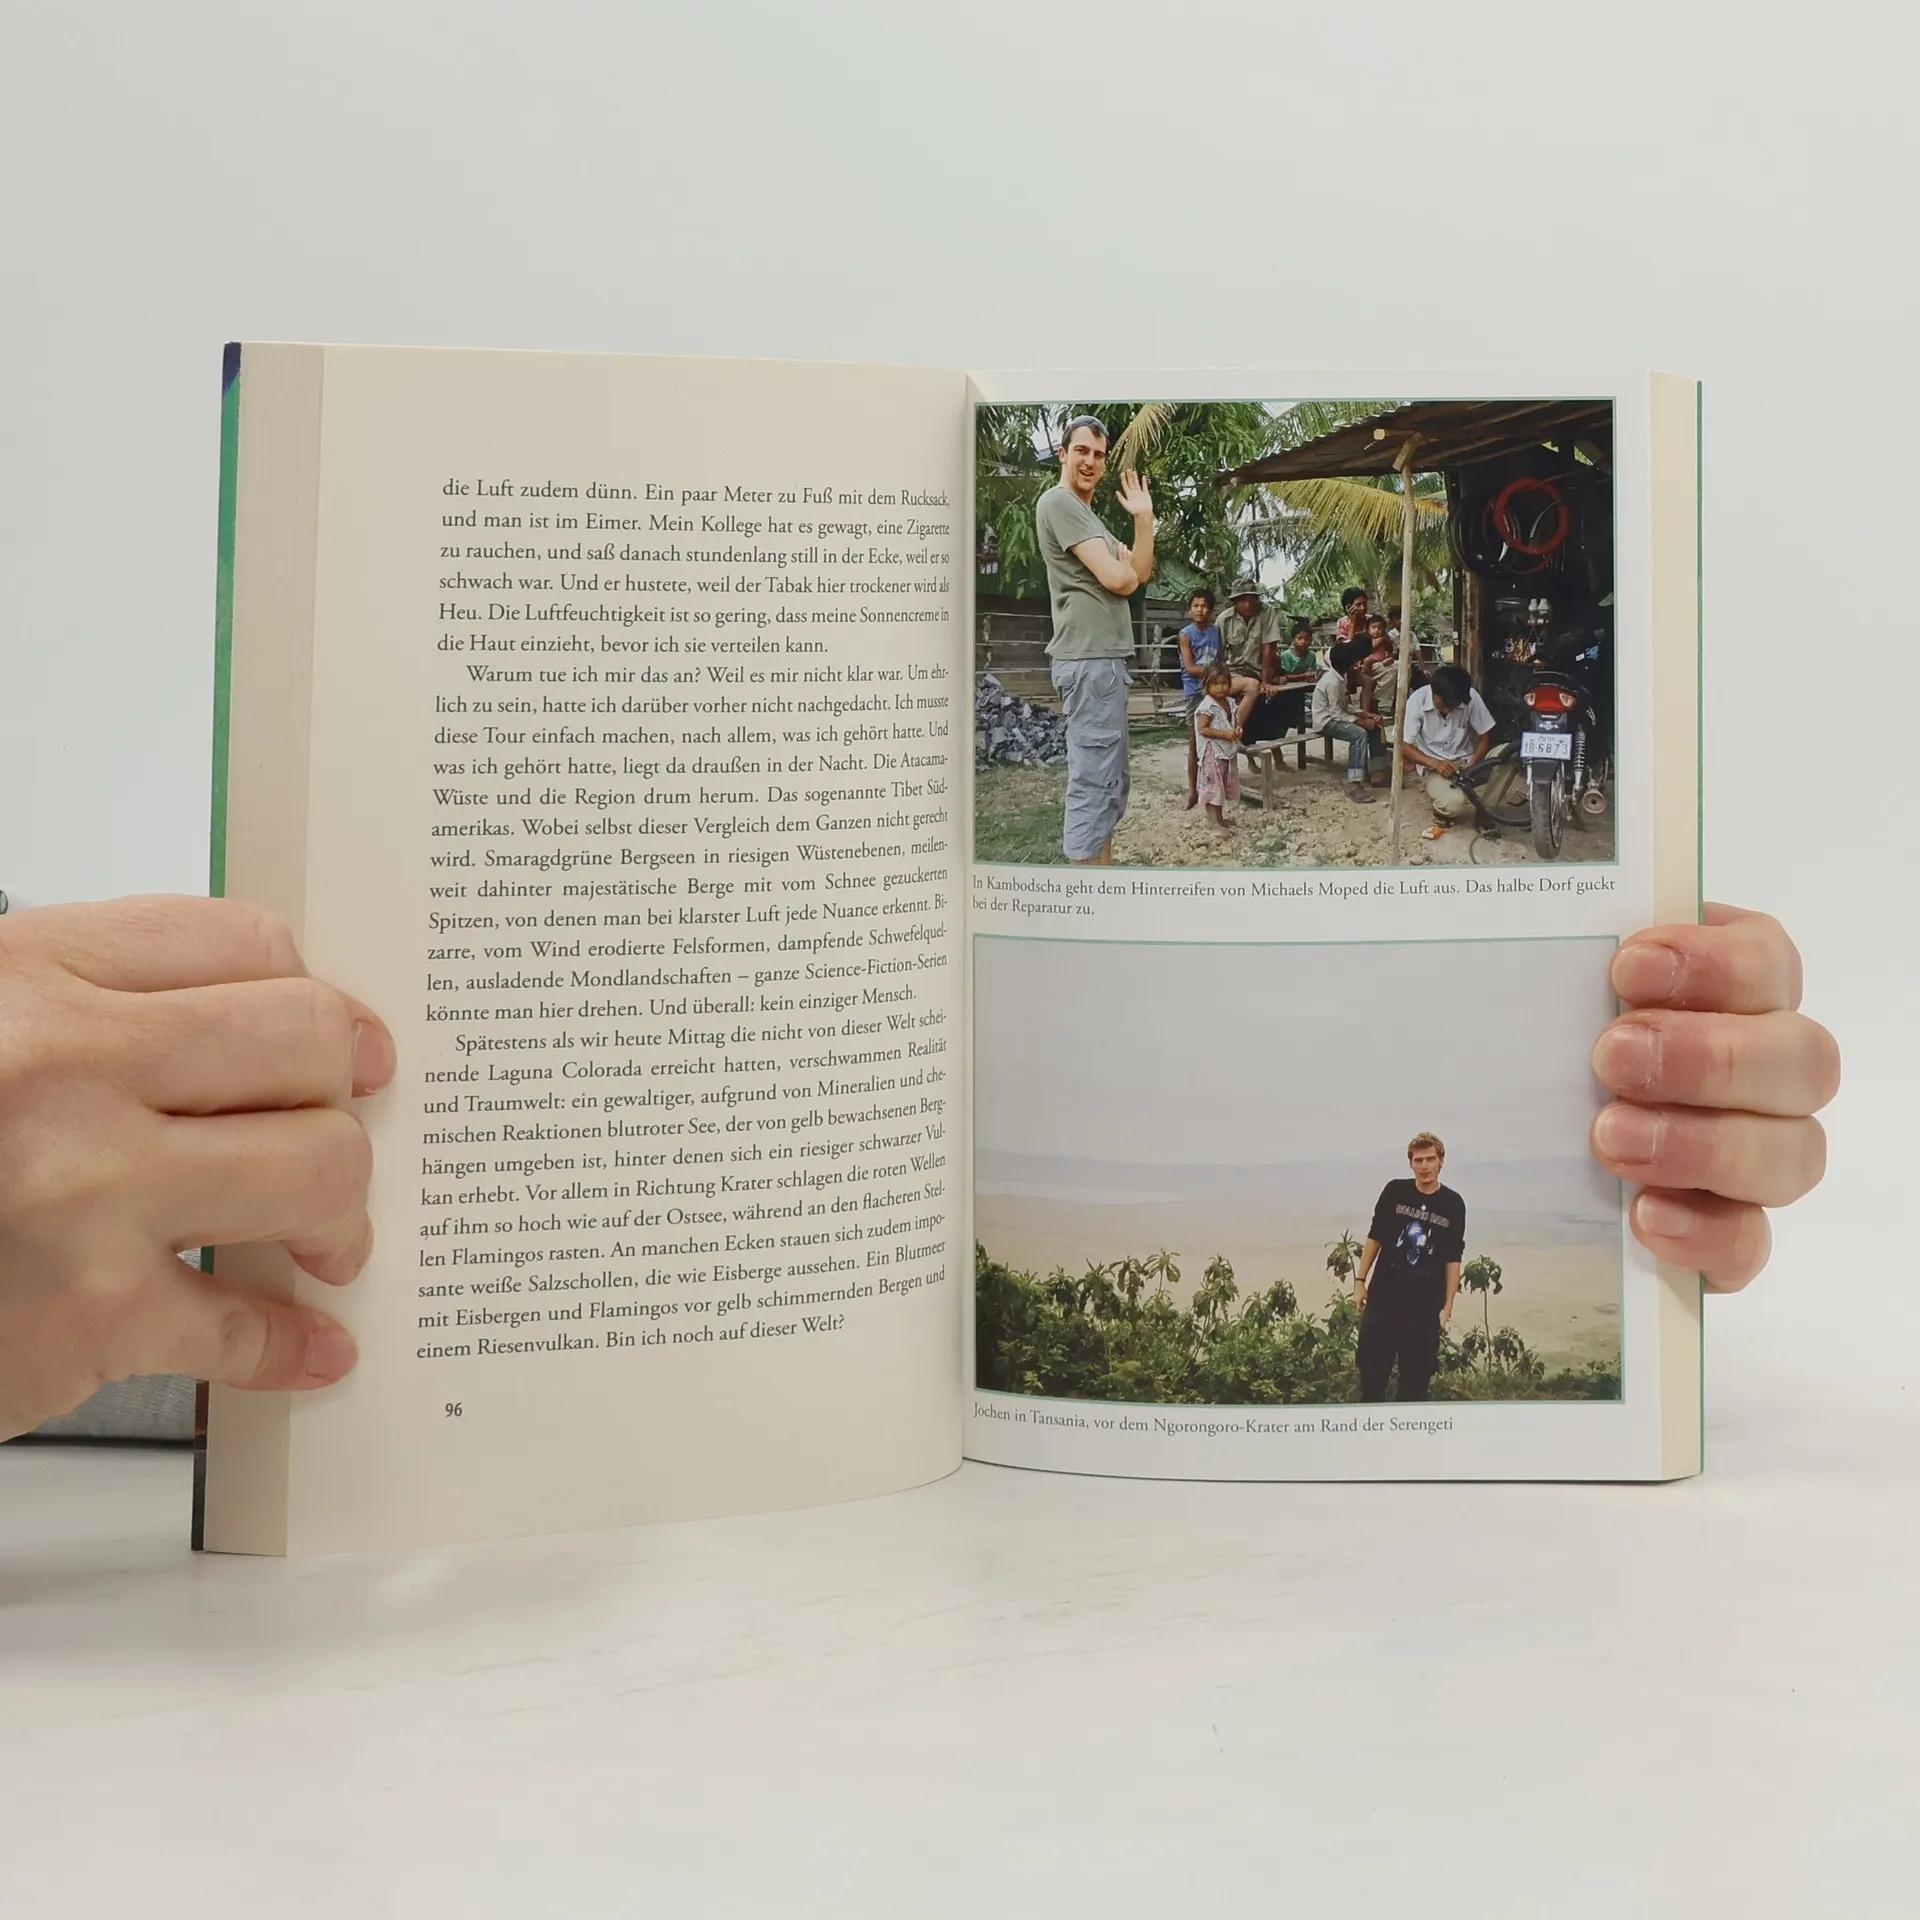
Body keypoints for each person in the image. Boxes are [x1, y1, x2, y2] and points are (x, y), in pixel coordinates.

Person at [0, 895, 1841, 1438]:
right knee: (1378, 1347)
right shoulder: (1398, 1205)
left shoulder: (1450, 1199)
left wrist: (1595, 994)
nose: (1428, 1161)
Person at [1036, 414, 1154, 864]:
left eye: (1099, 455)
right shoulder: (1059, 502)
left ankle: (1102, 883)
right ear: (1063, 454)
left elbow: (1138, 573)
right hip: (1089, 661)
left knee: (1108, 787)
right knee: (1092, 786)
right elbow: (1119, 579)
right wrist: (1121, 571)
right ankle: (1087, 894)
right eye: (1081, 451)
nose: (1090, 461)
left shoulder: (1091, 520)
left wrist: (1143, 519)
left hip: (1105, 663)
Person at [1354, 1133, 1465, 1401]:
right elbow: (1375, 1236)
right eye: (1418, 1160)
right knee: (1371, 1376)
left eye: (1430, 1159)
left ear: (1441, 1161)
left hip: (1424, 1308)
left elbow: (1453, 1258)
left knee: (1415, 1385)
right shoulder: (1395, 1192)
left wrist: (1447, 1307)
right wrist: (1360, 1281)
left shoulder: (1453, 1204)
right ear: (1411, 1163)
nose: (1424, 1166)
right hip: (1383, 1300)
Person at [1178, 588, 1260, 809]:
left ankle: (1235, 727)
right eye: (1195, 605)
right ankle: (1192, 791)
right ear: (1190, 609)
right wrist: (1215, 673)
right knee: (1195, 744)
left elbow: (1222, 659)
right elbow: (1190, 667)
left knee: (1252, 685)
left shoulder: (1216, 631)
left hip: (1219, 684)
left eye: (1204, 606)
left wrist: (1224, 675)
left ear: (1211, 610)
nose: (1200, 610)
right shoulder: (1185, 634)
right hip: (1196, 690)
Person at [1398, 662, 1498, 838]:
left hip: (1468, 763)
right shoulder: (1417, 700)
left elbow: (1486, 736)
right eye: (1448, 704)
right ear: (1435, 695)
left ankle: (1485, 810)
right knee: (1453, 806)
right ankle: (1444, 804)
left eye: (1456, 704)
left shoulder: (1468, 696)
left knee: (1505, 757)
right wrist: (1436, 764)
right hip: (1436, 768)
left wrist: (1472, 765)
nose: (1452, 708)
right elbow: (1404, 746)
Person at [1311, 638, 1385, 803]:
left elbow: (1345, 706)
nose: (1356, 666)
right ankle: (1355, 785)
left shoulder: (1341, 677)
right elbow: (1336, 713)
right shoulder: (1332, 682)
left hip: (1336, 715)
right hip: (1326, 721)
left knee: (1375, 728)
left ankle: (1377, 772)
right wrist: (1361, 722)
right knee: (1358, 734)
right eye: (1353, 664)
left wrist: (1365, 714)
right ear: (1346, 665)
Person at [1192, 665, 1242, 832]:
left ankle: (1219, 819)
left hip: (1224, 751)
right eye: (1215, 684)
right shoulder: (1207, 706)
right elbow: (1202, 729)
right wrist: (1224, 734)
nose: (1220, 687)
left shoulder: (1229, 702)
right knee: (1212, 787)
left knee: (1220, 786)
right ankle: (1214, 823)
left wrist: (1237, 729)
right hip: (1212, 753)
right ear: (1206, 685)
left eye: (1224, 683)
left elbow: (1233, 720)